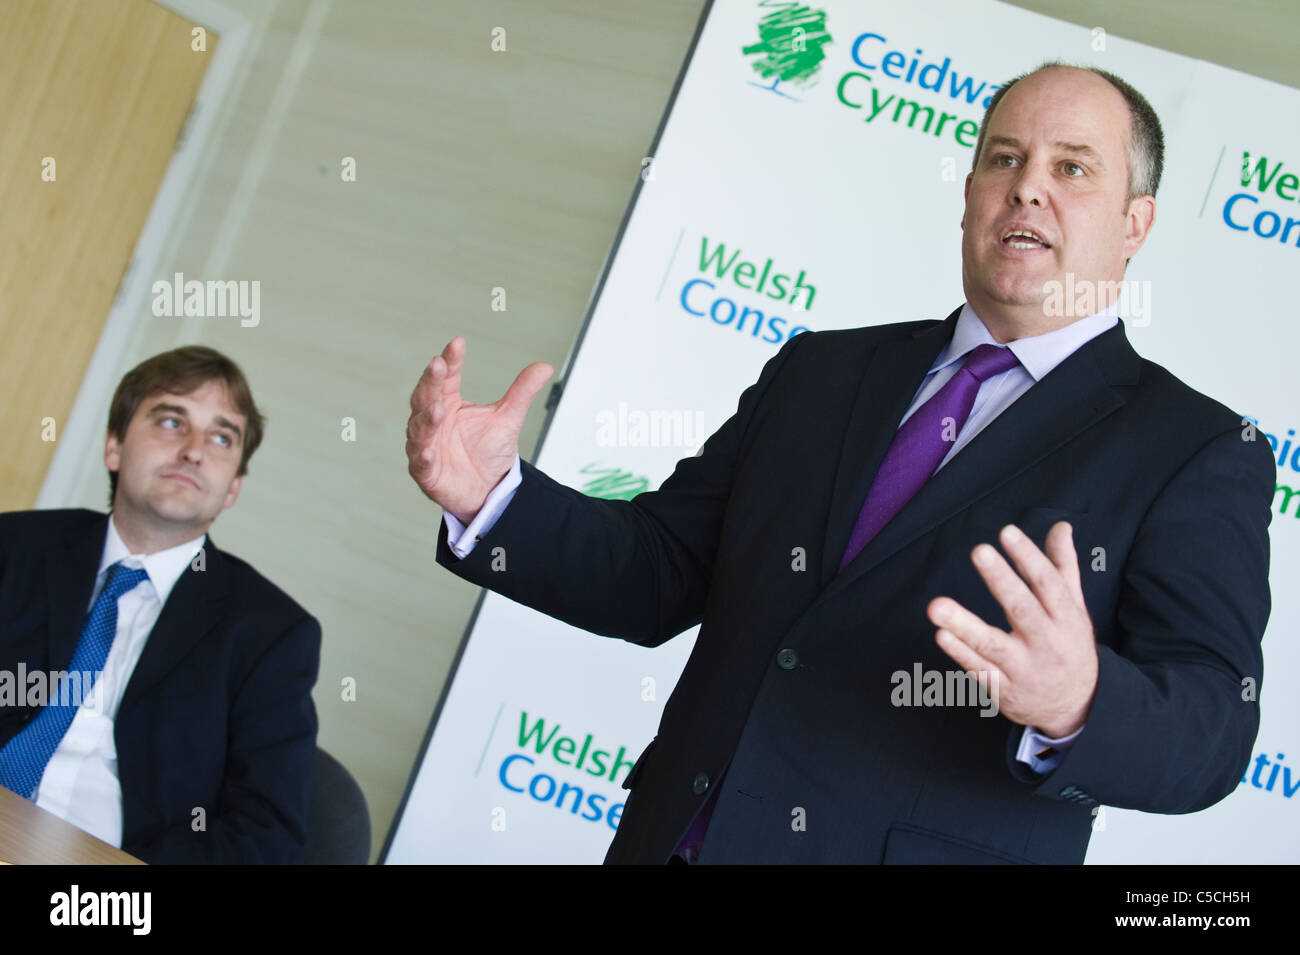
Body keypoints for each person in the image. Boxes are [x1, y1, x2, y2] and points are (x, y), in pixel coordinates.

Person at [404, 63, 1275, 863]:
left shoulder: (1193, 448)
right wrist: (495, 501)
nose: (1028, 187)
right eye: (1005, 158)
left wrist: (1079, 701)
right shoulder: (820, 370)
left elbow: (1213, 730)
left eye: (1073, 167)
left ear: (1135, 223)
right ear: (969, 193)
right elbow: (658, 572)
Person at [0, 346, 321, 864]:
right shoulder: (14, 547)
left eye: (222, 438)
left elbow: (265, 835)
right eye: (172, 421)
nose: (194, 451)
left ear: (233, 488)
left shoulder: (272, 634)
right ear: (114, 447)